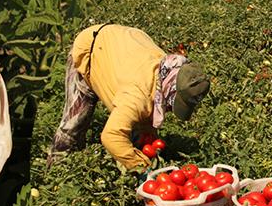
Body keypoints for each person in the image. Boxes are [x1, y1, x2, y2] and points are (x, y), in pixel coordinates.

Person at [47, 24, 211, 171]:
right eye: (173, 102)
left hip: (122, 42)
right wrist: (142, 167)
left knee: (137, 121)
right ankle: (57, 167)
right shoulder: (136, 95)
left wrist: (149, 140)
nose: (169, 108)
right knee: (76, 120)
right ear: (170, 89)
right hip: (91, 46)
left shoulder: (166, 67)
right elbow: (111, 137)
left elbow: (152, 105)